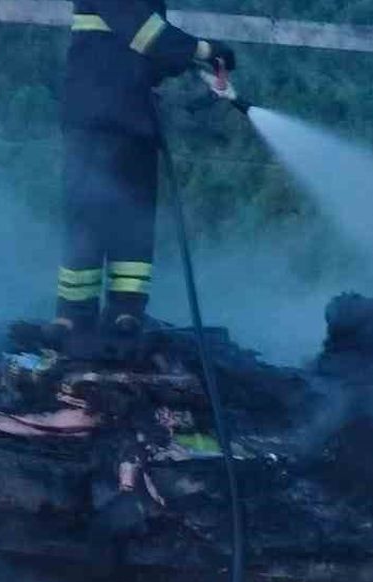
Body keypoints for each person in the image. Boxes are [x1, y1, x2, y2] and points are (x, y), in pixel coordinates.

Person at [49, 0, 236, 344]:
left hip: (132, 117)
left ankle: (126, 311)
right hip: (94, 118)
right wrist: (205, 50)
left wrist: (191, 64)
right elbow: (146, 32)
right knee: (87, 213)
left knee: (133, 215)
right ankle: (74, 315)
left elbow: (150, 52)